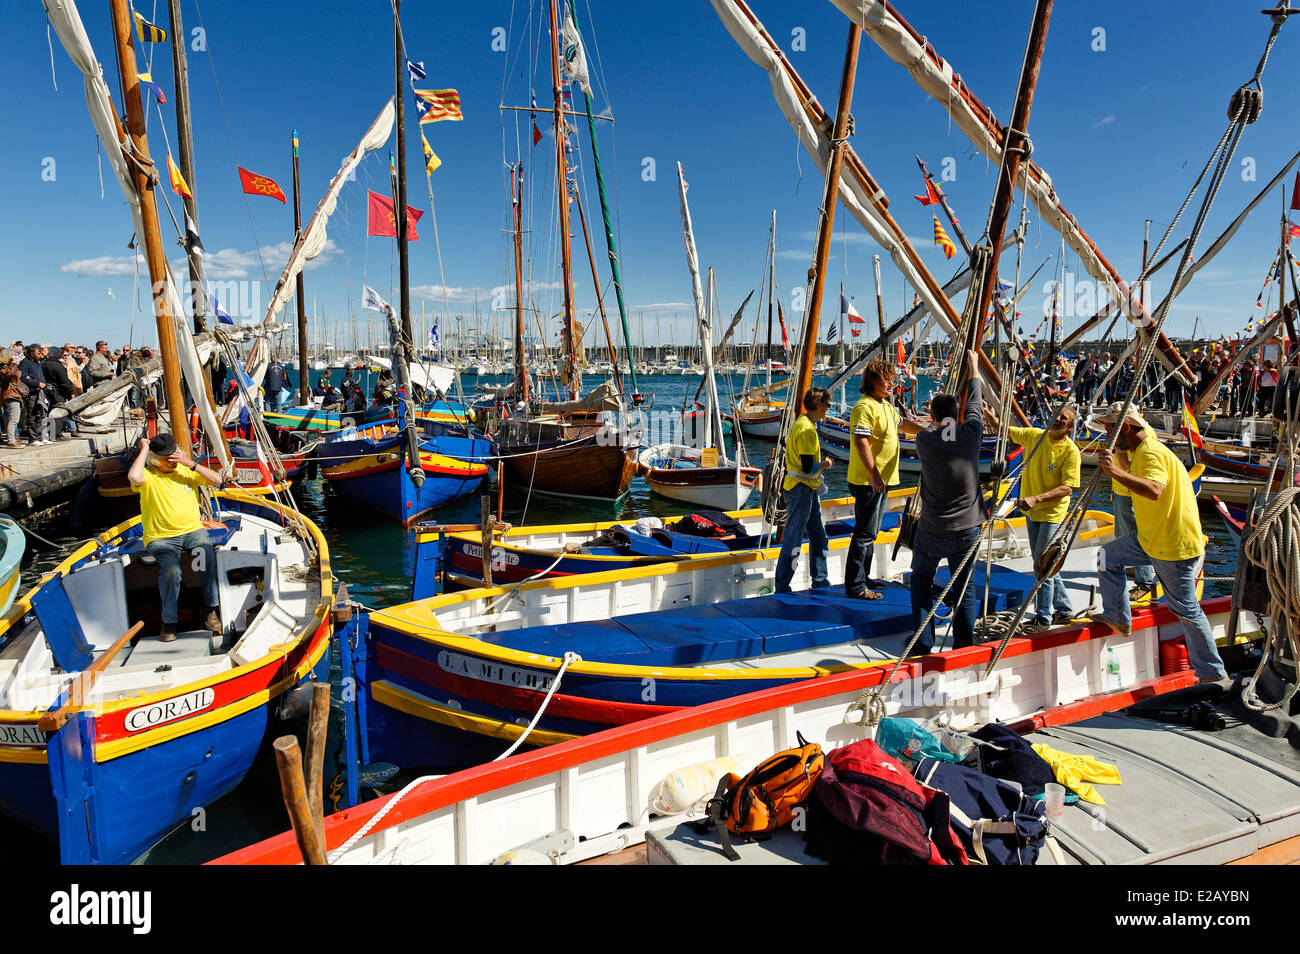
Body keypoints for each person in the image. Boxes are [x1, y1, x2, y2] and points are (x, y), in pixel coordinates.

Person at [1093, 403, 1227, 683]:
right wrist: (1118, 454)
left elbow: (1155, 489)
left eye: (1110, 428)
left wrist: (1114, 472)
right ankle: (1118, 616)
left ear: (1125, 428)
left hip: (1172, 545)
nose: (1106, 432)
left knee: (1186, 610)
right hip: (1151, 539)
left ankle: (1212, 674)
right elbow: (1135, 469)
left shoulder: (1151, 451)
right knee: (1106, 556)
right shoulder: (1141, 449)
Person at [911, 349, 984, 652]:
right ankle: (964, 645)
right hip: (968, 528)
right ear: (959, 415)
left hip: (933, 529)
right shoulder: (972, 433)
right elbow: (977, 401)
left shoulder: (925, 441)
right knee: (964, 588)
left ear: (932, 417)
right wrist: (975, 367)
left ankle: (923, 642)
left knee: (921, 582)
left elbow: (934, 430)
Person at [128, 433, 223, 641]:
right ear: (154, 459)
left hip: (192, 532)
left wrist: (191, 463)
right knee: (171, 571)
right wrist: (144, 449)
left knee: (205, 555)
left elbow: (218, 479)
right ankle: (169, 622)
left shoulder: (185, 470)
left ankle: (210, 609)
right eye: (165, 458)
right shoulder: (148, 476)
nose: (171, 462)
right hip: (161, 537)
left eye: (173, 456)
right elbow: (134, 477)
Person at [1004, 404, 1082, 629]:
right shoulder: (1035, 437)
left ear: (1069, 428)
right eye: (1056, 415)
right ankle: (1065, 609)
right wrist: (987, 411)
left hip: (1052, 513)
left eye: (1063, 418)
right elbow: (1004, 430)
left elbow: (1068, 487)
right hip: (1033, 512)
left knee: (1043, 566)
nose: (1057, 419)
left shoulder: (1071, 452)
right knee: (1047, 564)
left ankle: (1043, 617)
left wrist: (1036, 498)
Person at [844, 359, 902, 600]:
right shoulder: (864, 407)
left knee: (871, 532)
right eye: (886, 379)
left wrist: (929, 429)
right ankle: (855, 585)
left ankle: (864, 578)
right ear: (873, 381)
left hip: (882, 480)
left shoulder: (886, 406)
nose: (891, 383)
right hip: (868, 481)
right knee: (864, 533)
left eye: (892, 379)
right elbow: (861, 441)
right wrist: (875, 474)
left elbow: (902, 425)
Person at [774, 386, 834, 594]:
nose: (828, 409)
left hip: (805, 489)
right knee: (793, 539)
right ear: (819, 405)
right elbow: (808, 467)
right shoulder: (807, 429)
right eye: (827, 405)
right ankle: (782, 586)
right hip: (801, 490)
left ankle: (820, 579)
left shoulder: (803, 422)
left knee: (818, 536)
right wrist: (825, 464)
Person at [42, 346, 77, 441]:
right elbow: (64, 382)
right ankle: (56, 435)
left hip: (46, 392)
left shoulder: (43, 364)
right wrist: (71, 392)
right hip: (57, 393)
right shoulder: (58, 366)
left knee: (47, 413)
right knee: (58, 414)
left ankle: (48, 435)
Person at [19, 345, 49, 445]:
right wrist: (36, 383)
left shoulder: (38, 363)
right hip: (31, 393)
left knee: (41, 415)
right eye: (38, 353)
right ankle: (33, 438)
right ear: (32, 353)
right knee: (32, 416)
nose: (40, 355)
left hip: (41, 392)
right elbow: (23, 378)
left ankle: (41, 436)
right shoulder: (24, 363)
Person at [1, 356, 22, 447]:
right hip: (11, 395)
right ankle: (11, 441)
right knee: (13, 419)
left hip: (13, 395)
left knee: (14, 419)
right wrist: (15, 363)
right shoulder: (4, 370)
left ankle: (12, 439)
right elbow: (12, 374)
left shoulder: (7, 369)